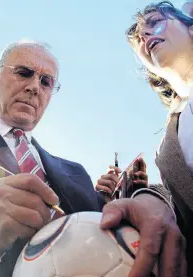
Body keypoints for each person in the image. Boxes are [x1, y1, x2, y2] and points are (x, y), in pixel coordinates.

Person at [0, 39, 185, 277]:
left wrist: (142, 194)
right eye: (24, 73)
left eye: (46, 81)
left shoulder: (75, 172)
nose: (35, 86)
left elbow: (115, 228)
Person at [99, 1, 193, 276]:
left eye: (155, 22)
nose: (146, 36)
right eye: (140, 37)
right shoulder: (168, 143)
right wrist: (147, 197)